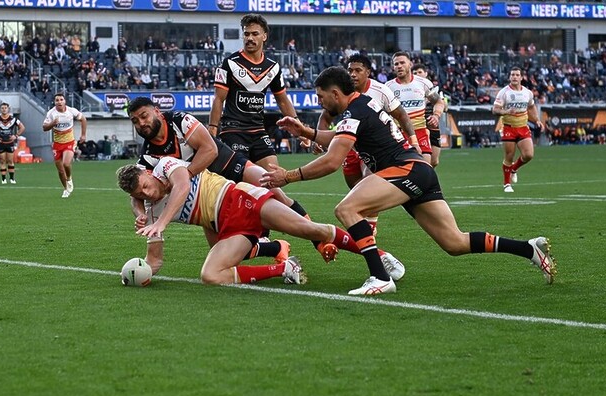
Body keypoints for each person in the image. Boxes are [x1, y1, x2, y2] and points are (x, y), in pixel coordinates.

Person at [261, 66, 556, 295]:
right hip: (418, 170)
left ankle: (380, 277)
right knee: (454, 243)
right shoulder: (361, 106)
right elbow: (338, 139)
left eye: (321, 97)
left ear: (336, 93)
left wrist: (287, 176)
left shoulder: (354, 111)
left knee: (347, 209)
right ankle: (528, 249)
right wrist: (307, 132)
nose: (321, 103)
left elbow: (332, 161)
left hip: (405, 170)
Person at [127, 97, 386, 269]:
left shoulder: (179, 120)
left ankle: (319, 241)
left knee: (277, 193)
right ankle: (276, 247)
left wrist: (184, 178)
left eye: (144, 116)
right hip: (208, 189)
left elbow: (209, 152)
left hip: (225, 164)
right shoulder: (148, 155)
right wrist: (140, 213)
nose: (141, 123)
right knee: (223, 250)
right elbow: (135, 190)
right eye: (135, 121)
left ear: (156, 111)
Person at [116, 157, 383, 285]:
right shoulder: (150, 211)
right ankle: (284, 267)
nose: (147, 194)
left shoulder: (165, 166)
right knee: (211, 276)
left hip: (241, 198)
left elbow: (183, 186)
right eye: (139, 194)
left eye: (145, 186)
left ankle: (379, 257)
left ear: (147, 173)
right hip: (227, 227)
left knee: (309, 229)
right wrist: (140, 273)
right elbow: (155, 259)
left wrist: (160, 222)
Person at [312, 53, 419, 236]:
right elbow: (326, 116)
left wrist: (413, 139)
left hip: (375, 146)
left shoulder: (380, 90)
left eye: (358, 70)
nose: (353, 74)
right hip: (348, 143)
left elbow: (401, 115)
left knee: (369, 181)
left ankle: (370, 227)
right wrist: (316, 137)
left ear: (368, 72)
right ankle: (366, 217)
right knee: (355, 186)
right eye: (350, 70)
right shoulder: (341, 92)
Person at [209, 14, 298, 170]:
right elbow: (218, 99)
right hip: (233, 131)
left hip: (258, 131)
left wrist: (299, 127)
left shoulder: (273, 67)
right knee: (241, 180)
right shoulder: (229, 63)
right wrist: (212, 128)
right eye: (246, 33)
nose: (249, 38)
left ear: (264, 36)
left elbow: (283, 101)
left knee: (273, 176)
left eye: (254, 34)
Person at [387, 52, 446, 166]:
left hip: (420, 131)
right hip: (399, 134)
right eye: (396, 64)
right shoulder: (388, 87)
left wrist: (436, 115)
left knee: (426, 167)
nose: (399, 66)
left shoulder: (423, 83)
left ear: (410, 64)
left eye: (402, 63)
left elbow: (438, 101)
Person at [492, 66, 544, 193]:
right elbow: (495, 110)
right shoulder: (504, 93)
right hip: (509, 127)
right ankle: (506, 184)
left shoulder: (527, 93)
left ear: (521, 77)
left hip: (522, 127)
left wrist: (537, 120)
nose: (514, 77)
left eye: (517, 75)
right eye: (512, 75)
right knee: (509, 156)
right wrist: (506, 111)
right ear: (510, 77)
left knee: (528, 155)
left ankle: (514, 169)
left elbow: (531, 107)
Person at [42, 93, 87, 198]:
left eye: (61, 99)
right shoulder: (51, 113)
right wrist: (53, 123)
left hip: (69, 142)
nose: (59, 102)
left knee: (66, 164)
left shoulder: (71, 111)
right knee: (60, 170)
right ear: (55, 102)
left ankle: (69, 178)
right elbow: (44, 128)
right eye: (57, 100)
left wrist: (83, 135)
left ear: (65, 101)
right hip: (57, 144)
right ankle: (66, 188)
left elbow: (83, 119)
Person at [412, 63, 447, 167]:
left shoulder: (433, 89)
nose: (417, 74)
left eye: (420, 72)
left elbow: (444, 107)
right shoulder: (412, 90)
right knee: (422, 159)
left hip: (432, 126)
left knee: (434, 161)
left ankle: (427, 178)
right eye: (415, 73)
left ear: (425, 73)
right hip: (418, 126)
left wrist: (433, 103)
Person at [0, 102, 26, 185]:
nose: (4, 109)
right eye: (2, 108)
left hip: (10, 142)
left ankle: (12, 179)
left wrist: (16, 136)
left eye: (5, 108)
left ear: (8, 109)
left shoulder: (13, 119)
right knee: (2, 160)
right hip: (1, 142)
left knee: (10, 160)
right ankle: (3, 179)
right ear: (0, 109)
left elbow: (22, 127)